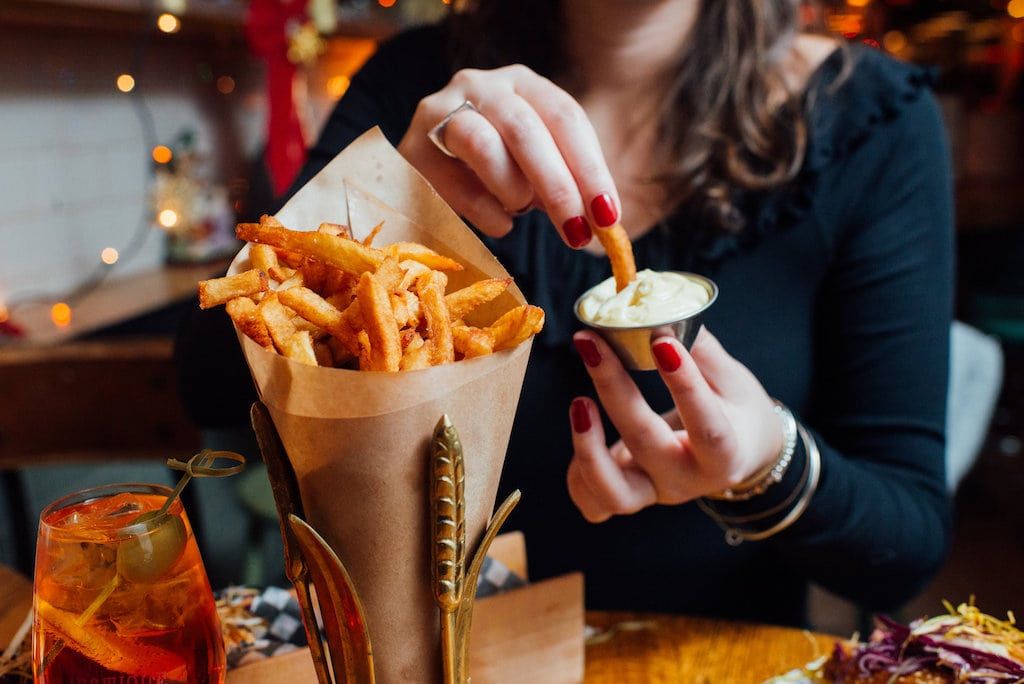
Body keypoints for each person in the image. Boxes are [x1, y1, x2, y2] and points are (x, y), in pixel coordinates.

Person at [179, 0, 953, 626]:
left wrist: (765, 464)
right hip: (436, 650)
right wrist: (388, 200)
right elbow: (209, 382)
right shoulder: (414, 82)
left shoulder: (870, 121)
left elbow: (905, 546)